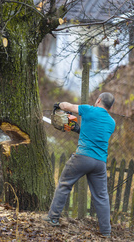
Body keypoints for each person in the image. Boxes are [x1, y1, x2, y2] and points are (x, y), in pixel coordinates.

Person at [44, 92, 115, 238]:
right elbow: (96, 135)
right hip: (100, 163)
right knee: (101, 196)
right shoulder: (112, 123)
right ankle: (106, 231)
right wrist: (78, 129)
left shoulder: (89, 109)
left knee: (64, 184)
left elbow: (68, 106)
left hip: (83, 157)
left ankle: (53, 217)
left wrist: (59, 105)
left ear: (99, 100)